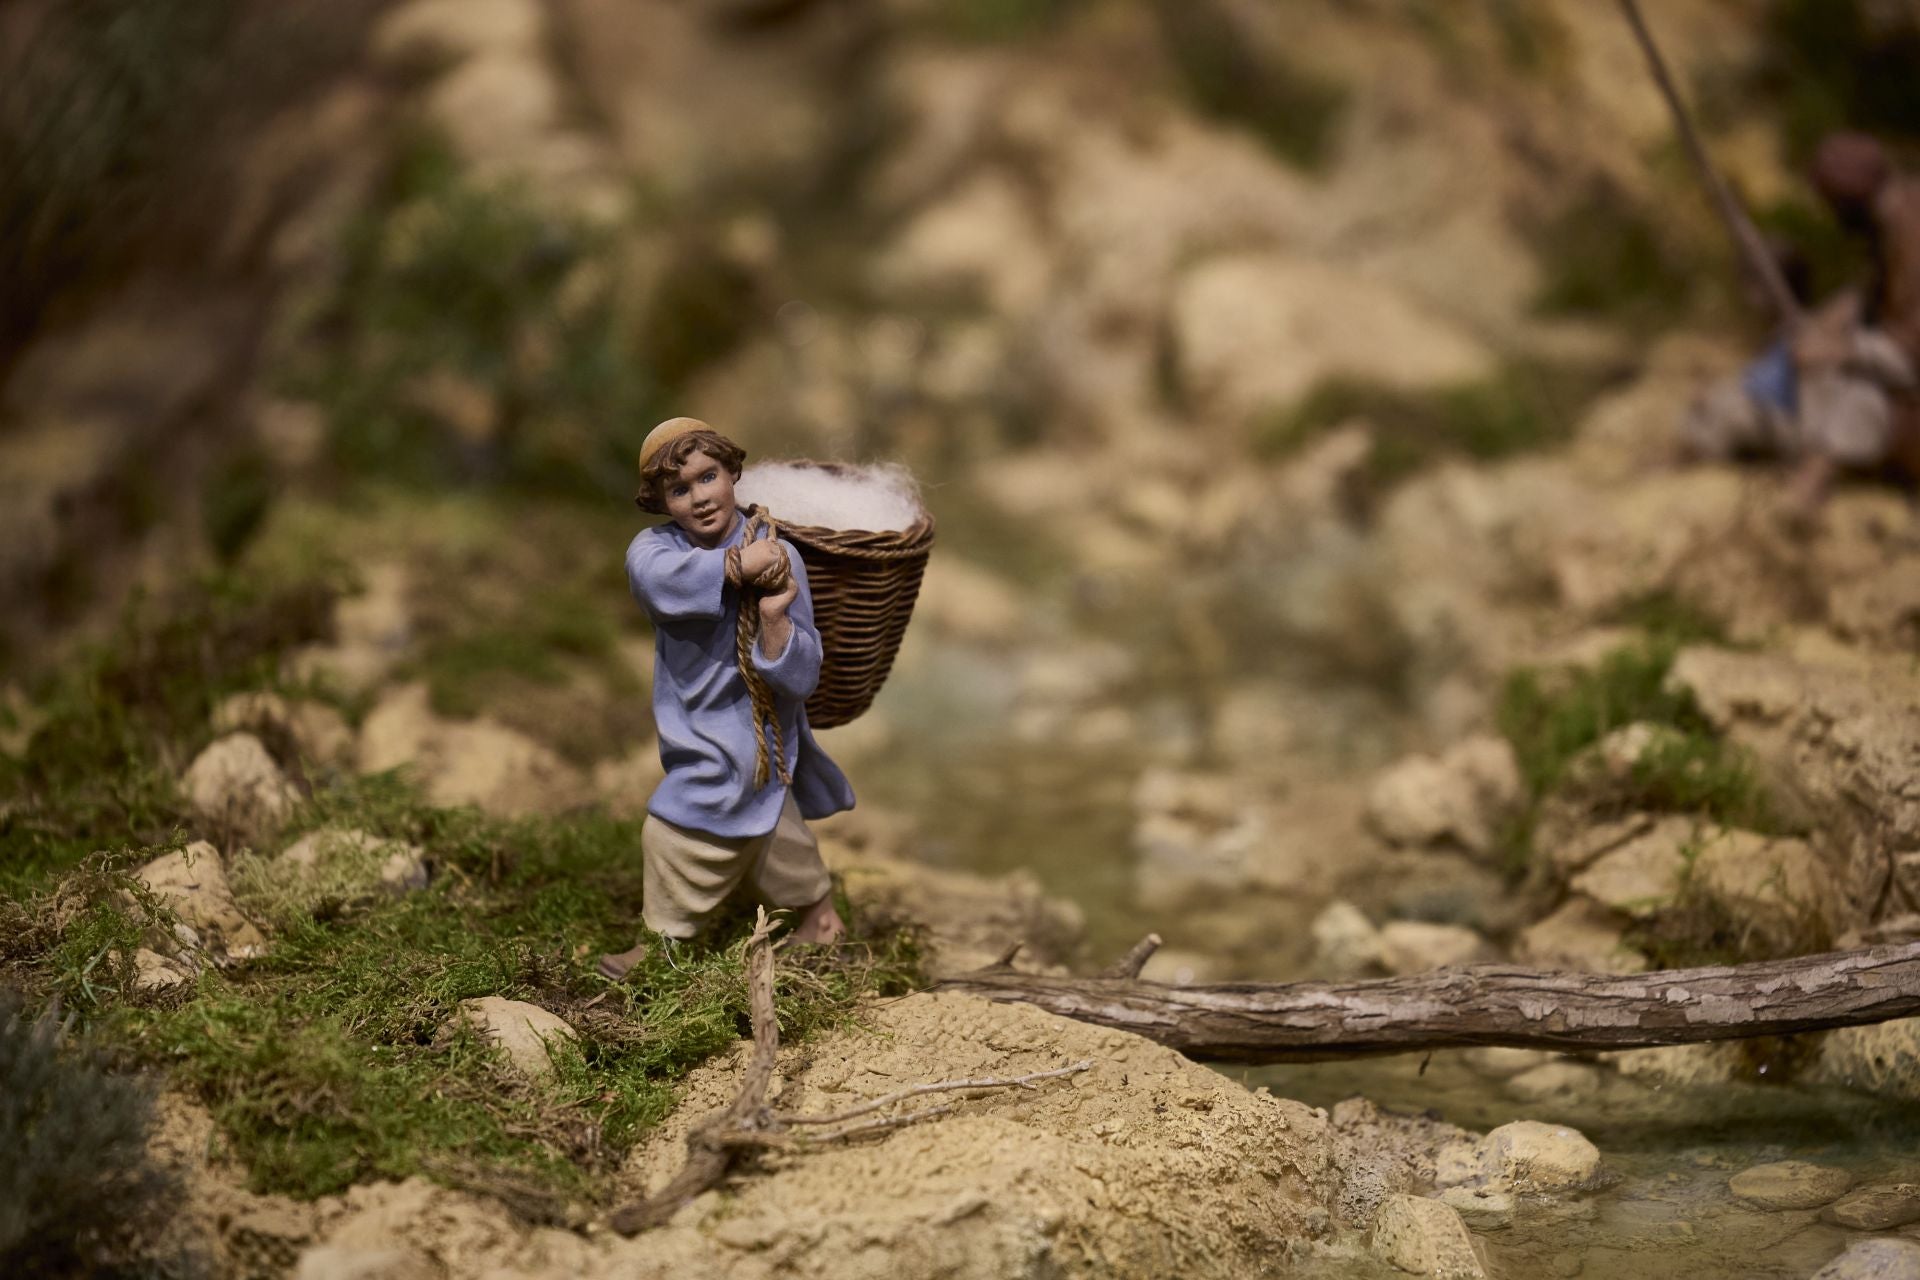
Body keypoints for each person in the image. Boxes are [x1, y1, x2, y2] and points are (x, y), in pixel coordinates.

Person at [598, 417, 853, 979]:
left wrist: (776, 619)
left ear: (734, 473)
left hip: (762, 734)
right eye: (679, 489)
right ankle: (669, 944)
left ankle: (815, 917)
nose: (700, 497)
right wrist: (735, 566)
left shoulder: (782, 556)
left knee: (730, 829)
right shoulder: (654, 550)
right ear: (661, 501)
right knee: (700, 826)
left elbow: (804, 673)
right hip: (699, 729)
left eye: (708, 477)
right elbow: (662, 585)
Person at [1682, 131, 1920, 506]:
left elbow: (1909, 352)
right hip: (1872, 387)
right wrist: (1828, 325)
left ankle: (1804, 494)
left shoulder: (1911, 231)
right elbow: (1869, 296)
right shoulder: (1890, 231)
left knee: (1860, 395)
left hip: (1903, 403)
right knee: (1742, 405)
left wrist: (1843, 348)